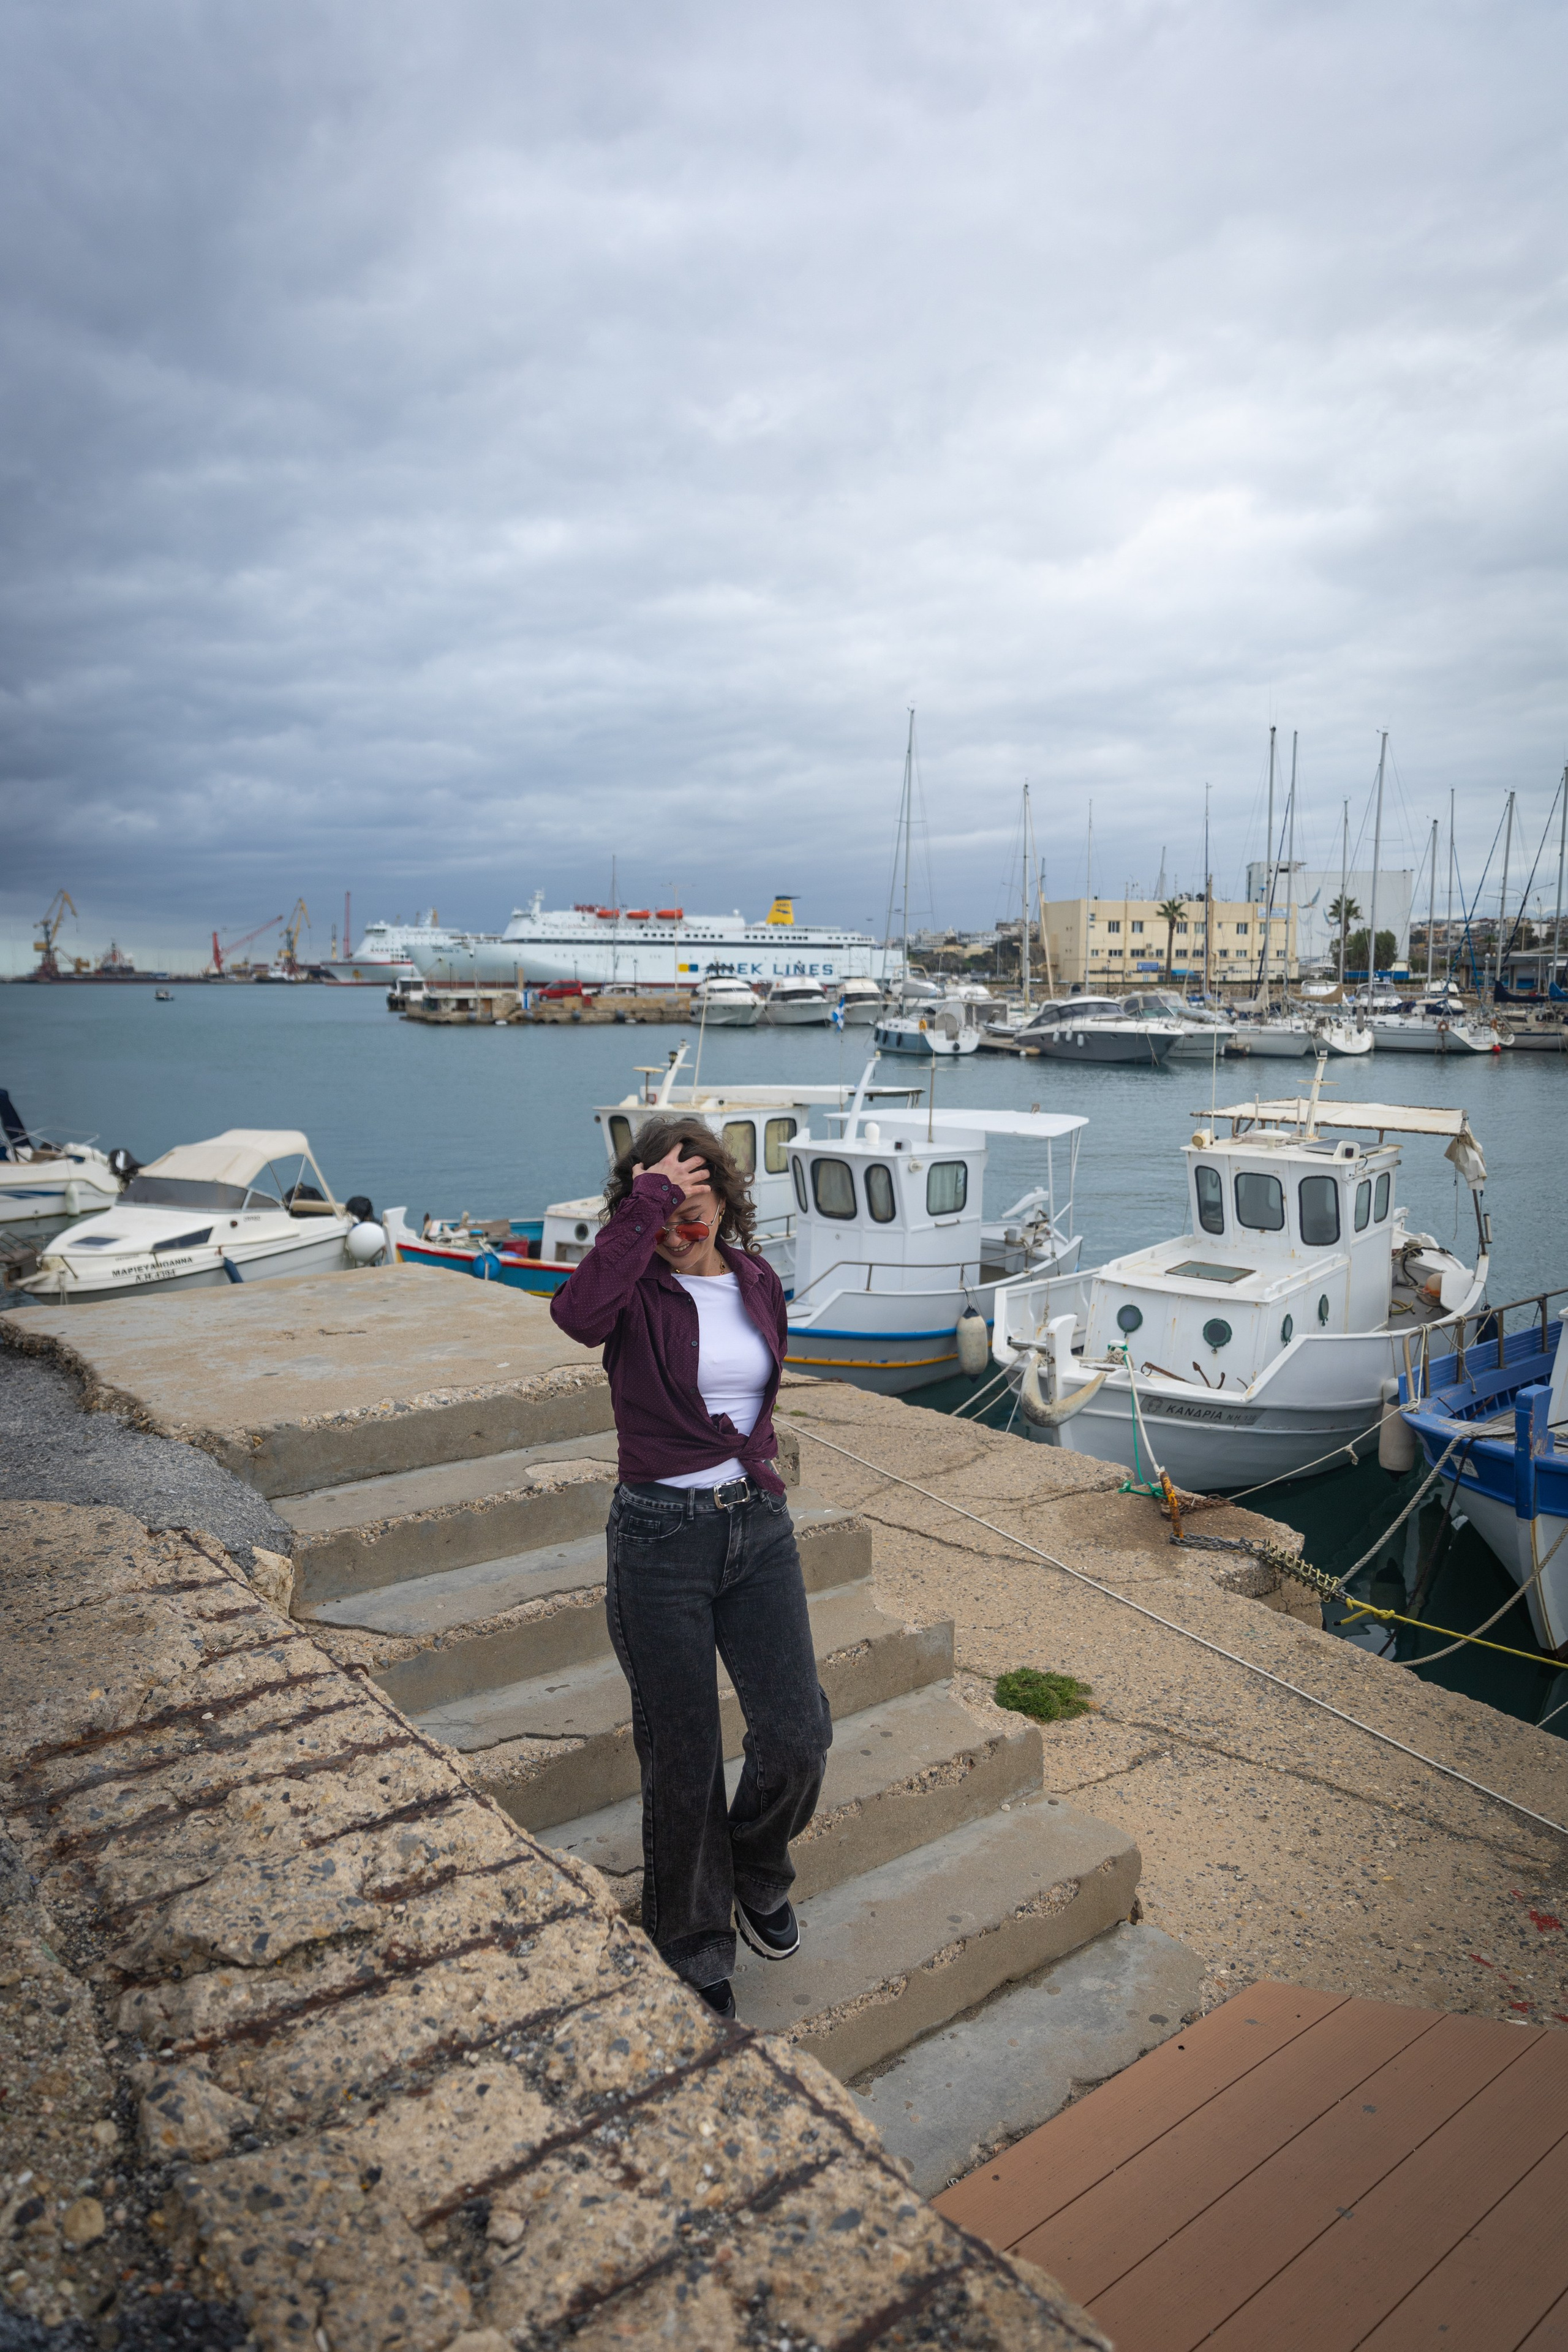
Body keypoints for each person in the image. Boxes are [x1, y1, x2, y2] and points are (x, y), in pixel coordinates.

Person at [549, 1116, 832, 2019]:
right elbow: (575, 1317)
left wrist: (760, 1468)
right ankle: (695, 1937)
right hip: (660, 1538)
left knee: (798, 1735)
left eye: (694, 1206)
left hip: (759, 1526)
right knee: (684, 1754)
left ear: (726, 1203)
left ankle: (756, 1866)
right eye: (664, 1208)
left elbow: (757, 1401)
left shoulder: (756, 1280)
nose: (681, 1227)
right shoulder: (630, 1293)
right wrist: (646, 1207)